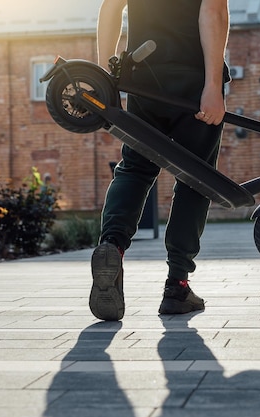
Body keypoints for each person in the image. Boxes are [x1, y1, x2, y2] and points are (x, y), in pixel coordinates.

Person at [90, 0, 230, 321]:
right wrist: (212, 85)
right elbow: (213, 11)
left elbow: (110, 8)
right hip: (192, 78)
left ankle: (112, 245)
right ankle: (177, 285)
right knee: (196, 178)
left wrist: (105, 76)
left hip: (144, 74)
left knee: (136, 167)